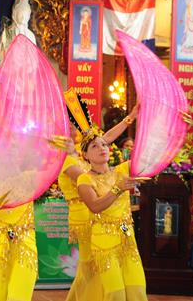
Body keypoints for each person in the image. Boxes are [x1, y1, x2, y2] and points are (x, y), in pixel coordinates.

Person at [66, 126, 146, 300]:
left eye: (103, 144)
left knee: (137, 290)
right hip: (104, 243)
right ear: (85, 155)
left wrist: (170, 129)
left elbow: (148, 156)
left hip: (127, 240)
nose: (101, 148)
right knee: (115, 293)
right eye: (94, 146)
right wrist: (118, 189)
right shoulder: (85, 179)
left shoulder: (122, 170)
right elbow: (95, 206)